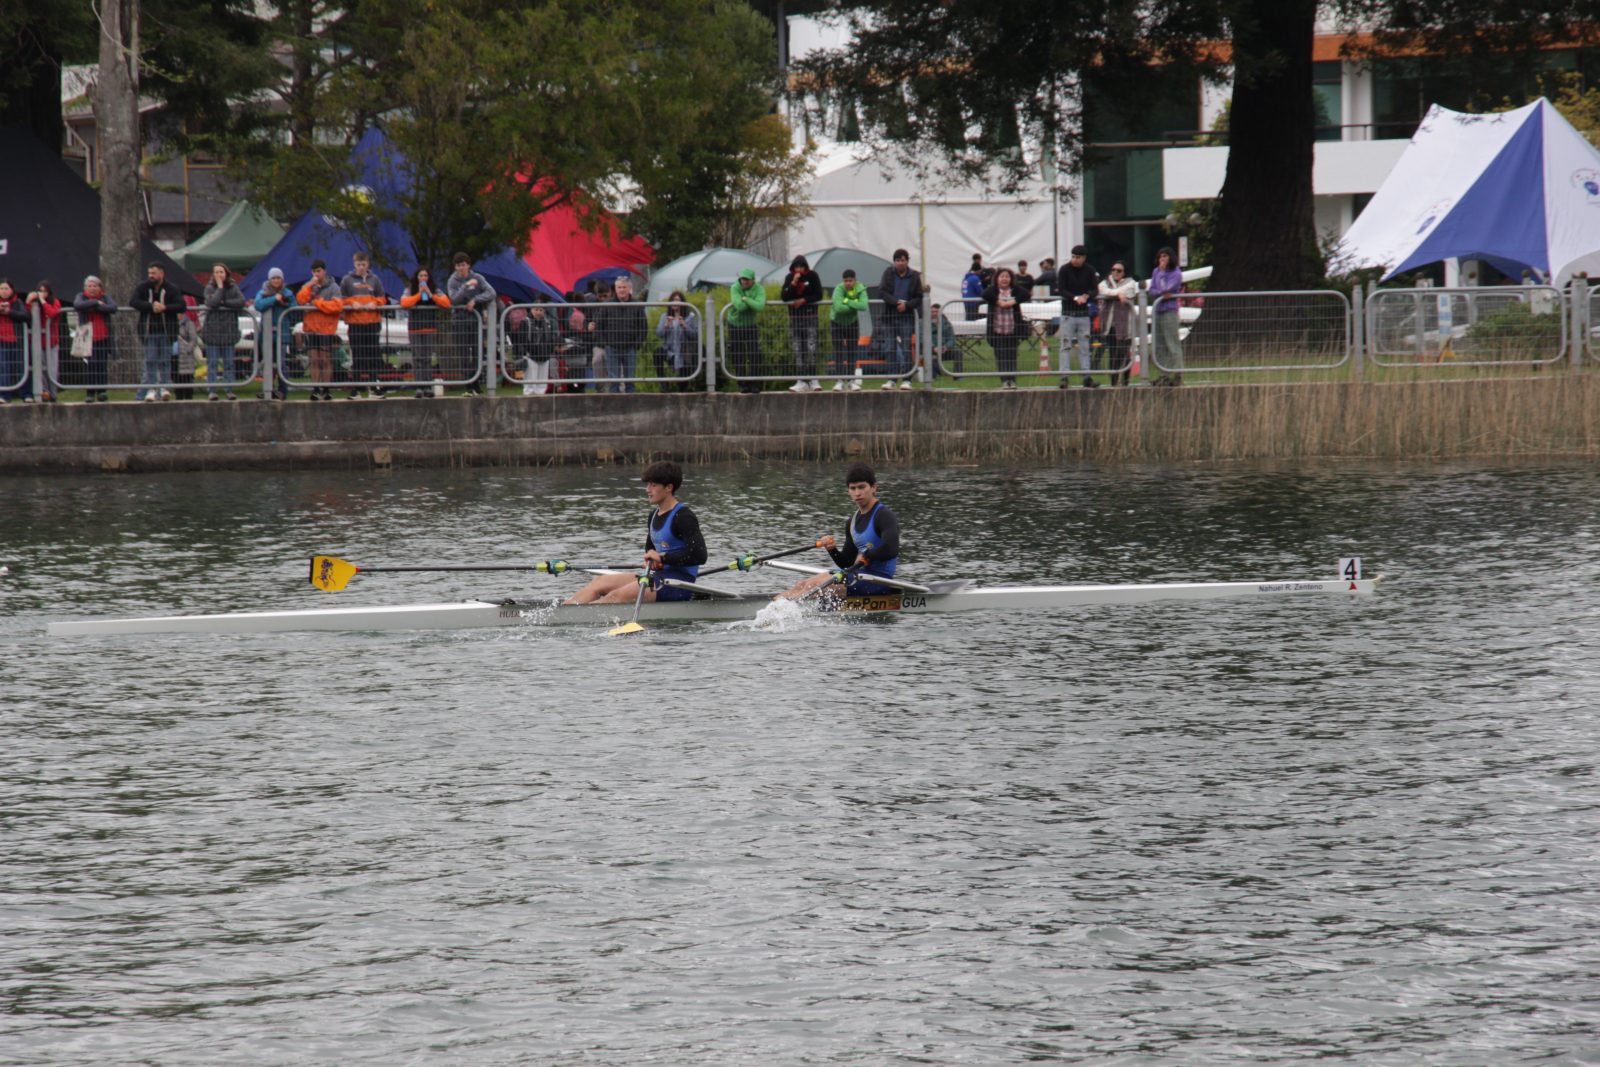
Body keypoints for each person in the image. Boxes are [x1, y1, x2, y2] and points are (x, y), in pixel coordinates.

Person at [565, 461, 708, 605]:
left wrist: (662, 558)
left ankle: (585, 614)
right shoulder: (653, 515)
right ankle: (564, 610)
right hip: (657, 577)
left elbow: (699, 555)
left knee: (616, 596)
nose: (648, 490)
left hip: (678, 584)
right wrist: (653, 562)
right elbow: (650, 550)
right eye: (648, 484)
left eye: (653, 485)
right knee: (600, 582)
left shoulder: (683, 517)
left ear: (668, 488)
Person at [779, 462, 901, 600]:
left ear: (873, 487)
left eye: (862, 487)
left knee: (816, 587)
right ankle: (773, 607)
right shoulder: (852, 522)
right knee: (802, 584)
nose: (857, 493)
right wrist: (832, 550)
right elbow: (847, 562)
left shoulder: (884, 516)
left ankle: (788, 607)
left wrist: (867, 555)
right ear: (848, 491)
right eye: (853, 488)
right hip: (857, 575)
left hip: (878, 581)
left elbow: (892, 549)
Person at [129, 262, 184, 402]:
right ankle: (151, 389)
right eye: (149, 273)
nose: (151, 276)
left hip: (167, 332)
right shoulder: (143, 287)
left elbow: (181, 305)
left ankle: (164, 387)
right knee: (150, 361)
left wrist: (165, 308)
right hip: (149, 332)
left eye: (153, 273)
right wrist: (150, 306)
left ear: (161, 273)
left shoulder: (172, 288)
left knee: (165, 360)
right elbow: (133, 302)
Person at [447, 252, 496, 395]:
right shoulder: (453, 280)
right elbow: (454, 300)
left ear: (468, 265)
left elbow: (491, 293)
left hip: (475, 320)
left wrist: (476, 299)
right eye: (458, 265)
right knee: (463, 354)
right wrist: (465, 286)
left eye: (463, 265)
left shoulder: (478, 278)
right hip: (459, 321)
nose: (461, 268)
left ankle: (476, 383)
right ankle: (468, 384)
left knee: (477, 352)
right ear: (455, 267)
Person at [341, 251, 388, 398]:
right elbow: (341, 299)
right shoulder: (347, 280)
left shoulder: (375, 279)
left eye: (363, 264)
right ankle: (356, 388)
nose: (361, 267)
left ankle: (373, 388)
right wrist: (351, 303)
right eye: (358, 264)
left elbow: (383, 298)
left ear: (368, 264)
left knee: (372, 356)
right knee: (357, 356)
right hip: (355, 323)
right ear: (354, 264)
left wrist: (375, 303)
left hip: (372, 322)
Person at [589, 277, 648, 392]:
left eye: (624, 287)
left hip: (630, 347)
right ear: (615, 289)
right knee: (614, 381)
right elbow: (599, 326)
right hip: (612, 347)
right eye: (619, 287)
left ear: (629, 288)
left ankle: (631, 401)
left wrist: (636, 344)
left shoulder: (637, 305)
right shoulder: (607, 305)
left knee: (630, 380)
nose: (622, 290)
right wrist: (605, 344)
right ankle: (614, 401)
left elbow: (643, 327)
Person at [296, 259, 343, 401]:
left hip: (326, 329)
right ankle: (315, 389)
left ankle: (327, 389)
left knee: (325, 359)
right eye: (314, 271)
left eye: (319, 271)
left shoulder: (334, 287)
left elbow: (336, 306)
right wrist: (309, 285)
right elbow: (300, 300)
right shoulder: (309, 286)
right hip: (311, 329)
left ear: (324, 271)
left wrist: (317, 303)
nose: (316, 274)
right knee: (314, 360)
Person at [401, 268, 451, 398]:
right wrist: (419, 294)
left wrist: (431, 294)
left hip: (430, 328)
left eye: (425, 275)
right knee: (417, 357)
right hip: (415, 328)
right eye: (421, 275)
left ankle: (428, 386)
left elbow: (446, 303)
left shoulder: (435, 290)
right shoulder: (410, 289)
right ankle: (419, 386)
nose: (423, 278)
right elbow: (404, 303)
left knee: (427, 358)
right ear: (416, 277)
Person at [200, 263, 247, 401]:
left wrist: (224, 302)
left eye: (221, 272)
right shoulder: (209, 288)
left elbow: (241, 301)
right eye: (216, 272)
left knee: (229, 363)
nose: (219, 274)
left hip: (228, 331)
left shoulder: (233, 287)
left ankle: (229, 389)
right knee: (212, 363)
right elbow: (212, 303)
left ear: (226, 273)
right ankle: (212, 390)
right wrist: (220, 288)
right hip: (212, 332)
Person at [877, 248, 923, 387]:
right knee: (890, 348)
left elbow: (919, 297)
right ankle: (892, 379)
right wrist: (896, 302)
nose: (900, 263)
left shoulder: (914, 276)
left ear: (907, 261)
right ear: (894, 262)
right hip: (889, 316)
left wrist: (907, 305)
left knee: (906, 348)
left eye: (903, 260)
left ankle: (907, 379)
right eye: (897, 260)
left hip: (906, 317)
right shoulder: (888, 273)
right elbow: (882, 292)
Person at [1056, 244, 1100, 389]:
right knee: (1065, 345)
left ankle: (1086, 376)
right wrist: (1075, 298)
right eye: (1073, 257)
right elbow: (1061, 289)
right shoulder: (1064, 269)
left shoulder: (1090, 270)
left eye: (1078, 257)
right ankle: (1064, 376)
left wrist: (1086, 296)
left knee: (1085, 346)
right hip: (1068, 313)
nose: (1075, 260)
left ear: (1084, 258)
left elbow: (1095, 289)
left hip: (1083, 314)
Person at [781, 254, 824, 392]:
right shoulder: (789, 277)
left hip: (810, 318)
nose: (799, 269)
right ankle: (801, 380)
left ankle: (814, 380)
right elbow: (784, 296)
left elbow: (819, 294)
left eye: (801, 266)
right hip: (795, 319)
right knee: (798, 350)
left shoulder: (813, 276)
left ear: (806, 267)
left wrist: (804, 300)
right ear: (793, 268)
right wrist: (793, 283)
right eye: (796, 266)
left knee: (811, 348)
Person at [982, 267, 1029, 390]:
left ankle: (1012, 380)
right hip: (997, 330)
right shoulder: (993, 290)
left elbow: (1026, 294)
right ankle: (1004, 380)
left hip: (1012, 330)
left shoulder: (1015, 290)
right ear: (997, 279)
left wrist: (1012, 302)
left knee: (1012, 356)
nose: (1004, 279)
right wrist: (999, 302)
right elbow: (984, 294)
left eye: (1007, 276)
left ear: (1011, 279)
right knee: (1000, 356)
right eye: (1002, 276)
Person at [73, 275, 117, 403]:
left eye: (95, 286)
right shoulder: (81, 296)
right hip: (87, 337)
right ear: (85, 288)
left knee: (102, 364)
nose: (92, 288)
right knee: (90, 365)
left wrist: (95, 307)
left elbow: (113, 307)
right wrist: (96, 303)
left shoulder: (105, 297)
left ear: (100, 287)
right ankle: (90, 392)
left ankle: (102, 391)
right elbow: (78, 305)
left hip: (102, 336)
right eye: (89, 286)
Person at [253, 267, 294, 400]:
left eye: (278, 278)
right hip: (266, 334)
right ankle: (268, 390)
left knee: (281, 363)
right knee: (268, 363)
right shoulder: (263, 291)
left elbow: (295, 309)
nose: (276, 280)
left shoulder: (288, 293)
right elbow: (258, 305)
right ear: (269, 279)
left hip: (282, 333)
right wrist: (274, 299)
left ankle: (282, 391)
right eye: (273, 278)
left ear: (282, 279)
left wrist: (284, 303)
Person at [828, 268, 869, 390]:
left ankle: (851, 380)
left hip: (852, 323)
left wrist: (847, 301)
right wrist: (854, 303)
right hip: (837, 322)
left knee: (852, 351)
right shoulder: (839, 289)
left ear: (855, 280)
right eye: (845, 281)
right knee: (839, 351)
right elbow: (838, 308)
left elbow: (864, 305)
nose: (848, 283)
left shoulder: (860, 288)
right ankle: (839, 380)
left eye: (850, 280)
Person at [726, 267, 766, 394]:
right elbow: (739, 306)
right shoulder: (735, 287)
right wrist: (751, 302)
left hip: (750, 325)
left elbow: (760, 306)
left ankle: (754, 383)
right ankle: (742, 384)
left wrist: (745, 299)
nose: (744, 281)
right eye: (743, 279)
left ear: (753, 280)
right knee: (738, 355)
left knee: (754, 354)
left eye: (747, 279)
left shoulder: (759, 289)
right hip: (735, 325)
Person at [1098, 261, 1138, 386]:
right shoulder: (1106, 281)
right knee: (1112, 354)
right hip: (1110, 325)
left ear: (1124, 273)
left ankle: (1125, 382)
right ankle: (1114, 383)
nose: (1115, 272)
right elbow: (1102, 289)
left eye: (1119, 270)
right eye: (1113, 269)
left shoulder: (1131, 282)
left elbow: (1129, 292)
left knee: (1124, 354)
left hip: (1125, 326)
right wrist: (1119, 293)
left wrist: (1113, 292)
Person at [1149, 246, 1184, 386]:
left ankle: (1177, 374)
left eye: (1165, 256)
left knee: (1172, 343)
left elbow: (1167, 288)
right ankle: (1163, 374)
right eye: (1160, 256)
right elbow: (1152, 290)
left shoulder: (1176, 273)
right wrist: (1160, 293)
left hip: (1169, 310)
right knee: (1159, 344)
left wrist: (1163, 274)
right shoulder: (1155, 271)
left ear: (1171, 258)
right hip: (1158, 310)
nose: (1162, 259)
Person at [655, 290, 700, 391]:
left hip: (684, 352)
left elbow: (695, 335)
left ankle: (684, 390)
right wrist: (666, 326)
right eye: (672, 300)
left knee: (683, 383)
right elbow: (659, 333)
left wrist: (685, 326)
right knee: (657, 353)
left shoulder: (690, 317)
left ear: (682, 303)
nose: (674, 302)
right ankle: (663, 382)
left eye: (677, 300)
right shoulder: (664, 316)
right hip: (670, 352)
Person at [26, 281, 62, 402]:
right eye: (40, 291)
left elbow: (52, 313)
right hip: (38, 342)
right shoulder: (34, 303)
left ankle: (53, 393)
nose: (42, 293)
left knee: (52, 369)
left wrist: (43, 301)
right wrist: (28, 301)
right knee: (40, 369)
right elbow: (27, 315)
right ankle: (44, 392)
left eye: (45, 291)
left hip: (52, 342)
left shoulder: (55, 302)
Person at [0, 279, 29, 403]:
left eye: (6, 288)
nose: (4, 291)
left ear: (12, 290)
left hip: (16, 340)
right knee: (3, 369)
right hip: (1, 340)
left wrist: (9, 312)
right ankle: (4, 395)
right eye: (1, 288)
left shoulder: (17, 302)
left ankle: (26, 394)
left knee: (21, 368)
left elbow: (26, 316)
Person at [929, 302, 960, 377]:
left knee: (958, 352)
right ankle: (935, 374)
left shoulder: (947, 324)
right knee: (931, 358)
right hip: (930, 351)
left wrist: (946, 347)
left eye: (936, 312)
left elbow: (952, 339)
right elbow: (921, 338)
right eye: (932, 312)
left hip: (944, 350)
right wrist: (933, 348)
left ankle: (958, 376)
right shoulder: (923, 323)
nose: (934, 314)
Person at [960, 254, 984, 321]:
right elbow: (980, 291)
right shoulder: (975, 278)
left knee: (969, 318)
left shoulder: (965, 278)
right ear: (978, 270)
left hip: (966, 301)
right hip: (973, 302)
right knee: (973, 320)